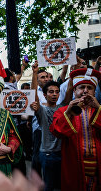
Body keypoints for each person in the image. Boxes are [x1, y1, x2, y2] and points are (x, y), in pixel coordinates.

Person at [50, 68, 101, 191]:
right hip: (74, 166)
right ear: (75, 90)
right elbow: (56, 132)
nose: (85, 91)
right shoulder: (63, 111)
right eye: (81, 87)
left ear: (94, 91)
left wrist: (98, 107)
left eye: (90, 88)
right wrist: (69, 112)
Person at [30, 61, 73, 191]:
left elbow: (70, 91)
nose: (54, 94)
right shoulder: (41, 110)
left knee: (62, 185)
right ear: (44, 94)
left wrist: (73, 68)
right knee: (48, 186)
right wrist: (34, 73)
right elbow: (33, 94)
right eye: (51, 92)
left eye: (57, 92)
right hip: (48, 154)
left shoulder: (63, 108)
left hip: (62, 153)